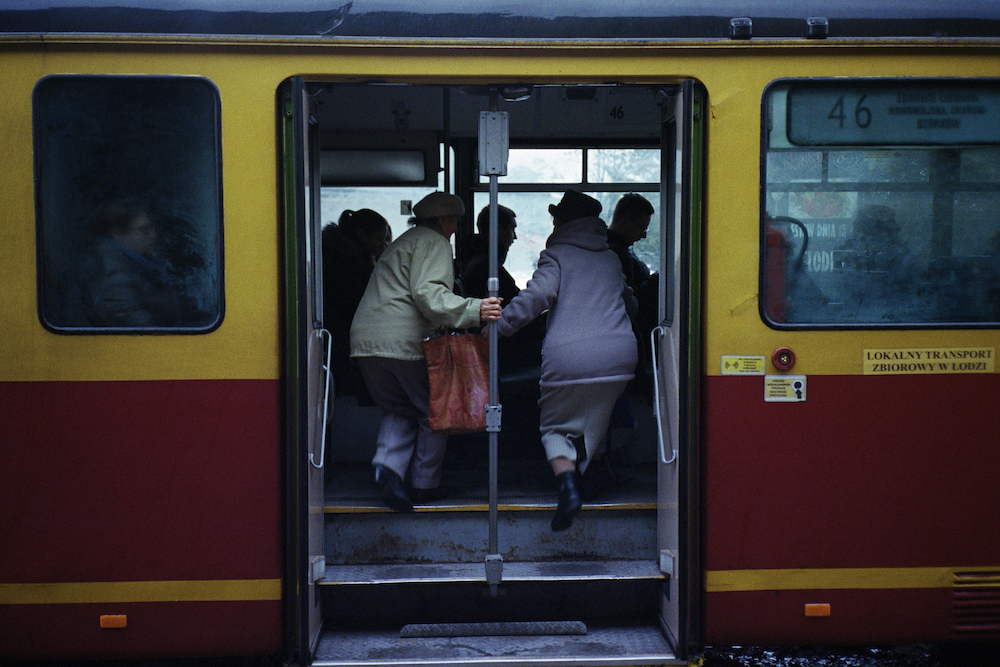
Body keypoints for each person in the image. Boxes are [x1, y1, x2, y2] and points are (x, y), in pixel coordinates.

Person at [492, 190, 638, 532]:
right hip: (619, 357)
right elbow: (630, 304)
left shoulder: (556, 255)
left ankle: (568, 487)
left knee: (555, 427)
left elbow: (536, 297)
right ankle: (586, 480)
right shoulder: (610, 258)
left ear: (563, 221)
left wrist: (498, 328)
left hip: (572, 359)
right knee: (594, 423)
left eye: (556, 216)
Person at [350, 192, 502, 512]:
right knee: (434, 414)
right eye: (456, 222)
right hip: (403, 343)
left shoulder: (402, 242)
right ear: (445, 221)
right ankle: (424, 485)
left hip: (365, 343)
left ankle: (387, 468)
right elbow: (429, 294)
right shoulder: (434, 243)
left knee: (401, 409)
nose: (456, 229)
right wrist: (476, 309)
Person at [85, 197, 185, 327]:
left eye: (153, 228)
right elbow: (142, 332)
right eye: (144, 230)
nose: (154, 235)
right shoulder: (115, 280)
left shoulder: (144, 266)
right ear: (117, 234)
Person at [323, 209, 392, 397]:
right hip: (340, 334)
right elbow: (352, 304)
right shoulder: (349, 263)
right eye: (379, 239)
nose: (383, 246)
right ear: (362, 235)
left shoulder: (334, 253)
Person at [607, 193, 658, 344]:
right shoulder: (614, 254)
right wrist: (656, 281)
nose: (643, 236)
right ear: (624, 222)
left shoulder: (622, 249)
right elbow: (630, 296)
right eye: (641, 228)